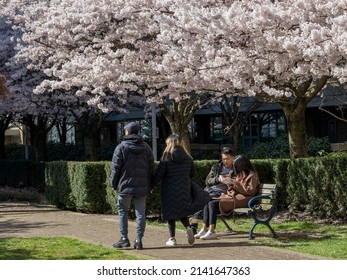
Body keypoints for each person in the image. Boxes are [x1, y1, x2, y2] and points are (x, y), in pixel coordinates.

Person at [110, 121, 154, 250]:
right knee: (141, 214)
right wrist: (150, 185)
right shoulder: (146, 147)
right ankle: (139, 240)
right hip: (142, 186)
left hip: (125, 186)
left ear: (128, 132)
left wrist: (113, 184)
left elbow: (115, 168)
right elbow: (151, 168)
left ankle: (124, 238)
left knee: (123, 210)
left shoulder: (121, 147)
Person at [194, 154, 259, 240]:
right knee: (208, 201)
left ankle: (212, 231)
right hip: (235, 197)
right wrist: (230, 185)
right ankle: (205, 229)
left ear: (242, 165)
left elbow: (250, 191)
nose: (236, 169)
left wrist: (234, 184)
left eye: (236, 166)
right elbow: (237, 187)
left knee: (212, 204)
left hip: (244, 199)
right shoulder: (241, 174)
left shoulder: (252, 175)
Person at [153, 134, 196, 247]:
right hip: (184, 189)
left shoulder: (166, 157)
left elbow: (159, 175)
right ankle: (188, 227)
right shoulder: (188, 158)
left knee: (170, 214)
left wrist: (151, 185)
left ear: (170, 144)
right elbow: (192, 174)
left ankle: (172, 239)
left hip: (169, 190)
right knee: (182, 212)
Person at [189, 147, 236, 233]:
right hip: (210, 190)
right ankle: (195, 225)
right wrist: (218, 179)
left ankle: (195, 224)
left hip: (221, 193)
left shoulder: (236, 169)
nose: (225, 161)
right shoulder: (216, 167)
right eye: (223, 159)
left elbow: (238, 182)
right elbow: (208, 181)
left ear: (233, 158)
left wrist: (230, 181)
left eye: (228, 159)